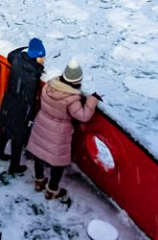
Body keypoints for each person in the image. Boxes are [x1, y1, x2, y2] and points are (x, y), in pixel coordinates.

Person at [26, 58, 102, 200]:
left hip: (42, 123)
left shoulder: (48, 86)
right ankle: (51, 190)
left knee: (39, 154)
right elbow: (83, 116)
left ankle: (39, 181)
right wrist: (92, 100)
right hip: (58, 132)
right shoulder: (71, 98)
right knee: (57, 163)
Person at [0, 37, 46, 175]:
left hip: (9, 101)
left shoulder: (17, 59)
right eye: (42, 56)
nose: (44, 59)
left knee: (5, 128)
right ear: (36, 57)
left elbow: (11, 54)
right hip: (20, 108)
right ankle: (14, 166)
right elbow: (28, 100)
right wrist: (29, 118)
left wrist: (24, 49)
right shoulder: (33, 75)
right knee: (18, 137)